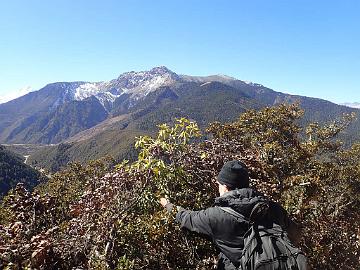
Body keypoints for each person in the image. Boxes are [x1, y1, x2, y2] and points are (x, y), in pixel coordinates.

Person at [160, 160, 308, 269]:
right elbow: (295, 235)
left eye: (218, 184)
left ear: (225, 186)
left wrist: (167, 205)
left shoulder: (215, 216)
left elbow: (186, 218)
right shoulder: (272, 207)